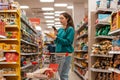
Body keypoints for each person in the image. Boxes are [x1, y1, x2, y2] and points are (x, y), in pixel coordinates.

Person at [48, 12, 75, 80]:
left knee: (63, 75)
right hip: (58, 53)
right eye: (59, 18)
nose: (60, 20)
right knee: (56, 74)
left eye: (62, 18)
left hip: (65, 54)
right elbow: (57, 42)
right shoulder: (59, 29)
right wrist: (55, 36)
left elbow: (68, 42)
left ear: (67, 19)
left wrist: (57, 38)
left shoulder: (70, 29)